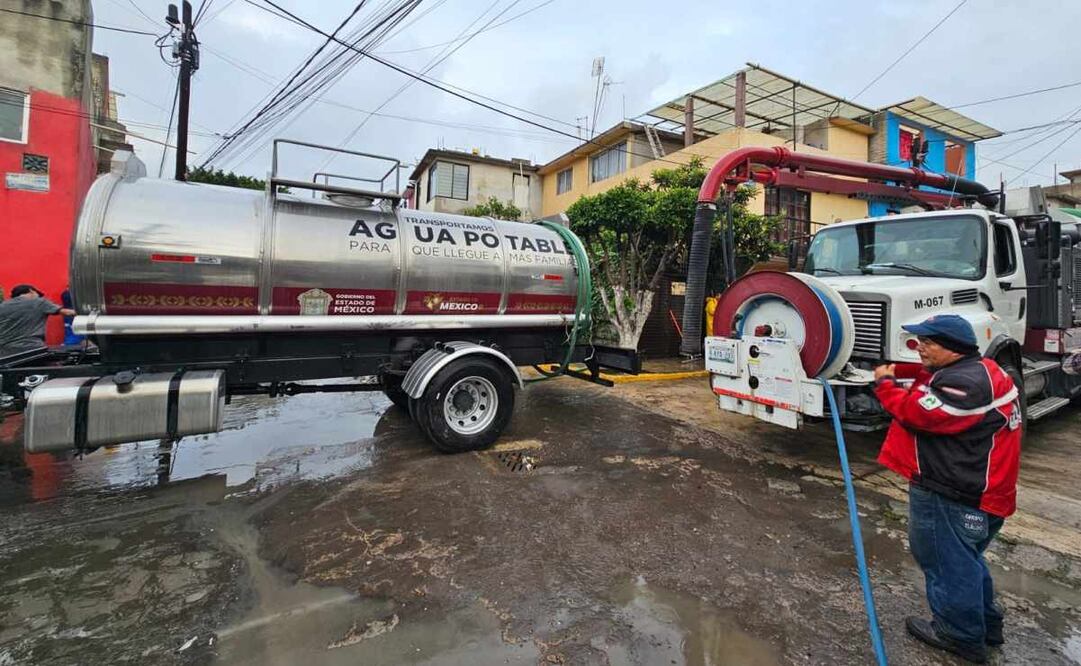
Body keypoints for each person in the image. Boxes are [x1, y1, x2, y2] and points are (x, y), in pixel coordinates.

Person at [872, 314, 1021, 664]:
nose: (918, 346)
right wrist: (903, 372)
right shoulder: (982, 369)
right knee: (966, 560)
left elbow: (915, 412)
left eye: (928, 342)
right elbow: (928, 382)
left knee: (945, 562)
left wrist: (885, 384)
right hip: (982, 492)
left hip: (954, 493)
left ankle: (959, 635)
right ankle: (986, 625)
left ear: (953, 348)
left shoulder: (964, 385)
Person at [0, 285, 77, 358]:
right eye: (38, 295)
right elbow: (68, 312)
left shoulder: (3, 306)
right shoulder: (38, 302)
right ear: (31, 291)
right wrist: (85, 313)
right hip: (32, 349)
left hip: (5, 353)